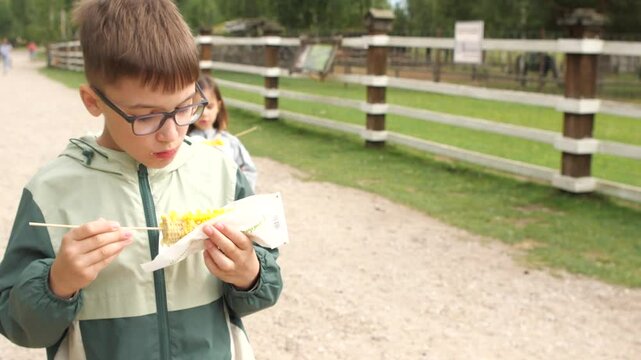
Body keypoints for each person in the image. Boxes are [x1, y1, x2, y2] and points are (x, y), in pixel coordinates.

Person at [0, 1, 282, 359]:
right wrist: (57, 284)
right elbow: (16, 324)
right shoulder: (50, 192)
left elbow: (264, 283)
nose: (171, 134)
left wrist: (250, 274)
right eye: (145, 117)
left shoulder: (221, 172)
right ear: (93, 101)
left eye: (184, 107)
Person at [188, 74, 258, 191]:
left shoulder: (230, 142)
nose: (204, 113)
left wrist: (237, 192)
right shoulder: (184, 143)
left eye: (209, 107)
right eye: (197, 107)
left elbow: (249, 170)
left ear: (218, 106)